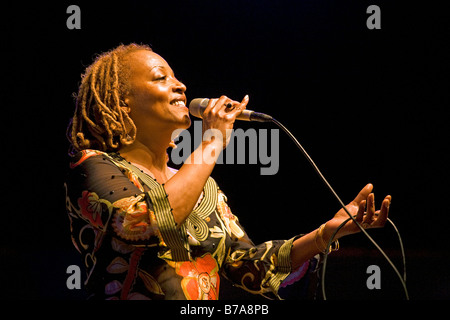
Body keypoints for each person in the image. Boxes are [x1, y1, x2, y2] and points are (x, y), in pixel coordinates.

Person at [64, 43, 391, 300]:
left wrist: (324, 234)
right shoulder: (94, 166)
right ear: (122, 102)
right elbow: (145, 223)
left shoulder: (202, 188)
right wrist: (214, 140)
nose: (180, 85)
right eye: (161, 77)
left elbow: (248, 266)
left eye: (177, 76)